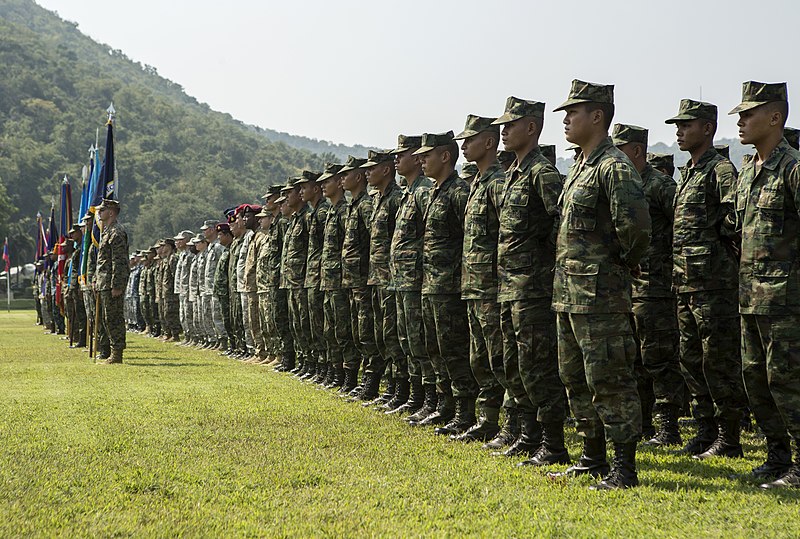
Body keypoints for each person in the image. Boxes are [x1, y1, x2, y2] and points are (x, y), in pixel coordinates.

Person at [552, 80, 651, 489]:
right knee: (574, 376)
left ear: (597, 116)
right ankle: (592, 456)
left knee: (610, 378)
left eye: (573, 112)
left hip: (601, 295)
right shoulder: (579, 166)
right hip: (568, 294)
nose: (566, 119)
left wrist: (617, 268)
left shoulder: (614, 166)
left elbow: (637, 230)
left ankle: (624, 467)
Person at [490, 97, 569, 464]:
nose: (503, 131)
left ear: (532, 128)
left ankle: (553, 444)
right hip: (509, 285)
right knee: (515, 365)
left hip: (533, 288)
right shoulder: (512, 175)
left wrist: (547, 272)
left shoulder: (543, 174)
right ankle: (528, 435)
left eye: (511, 124)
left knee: (538, 366)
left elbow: (561, 227)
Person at [666, 98, 747, 459]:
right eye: (678, 126)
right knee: (690, 360)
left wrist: (717, 242)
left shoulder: (719, 171)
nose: (680, 131)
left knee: (718, 362)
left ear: (708, 129)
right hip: (685, 283)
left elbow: (736, 216)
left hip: (713, 285)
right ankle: (704, 432)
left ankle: (729, 438)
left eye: (687, 125)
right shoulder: (689, 173)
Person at [729, 81, 800, 489]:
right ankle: (777, 457)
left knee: (788, 381)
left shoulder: (792, 168)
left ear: (775, 118)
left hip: (786, 301)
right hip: (750, 298)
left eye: (748, 113)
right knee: (756, 380)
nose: (740, 121)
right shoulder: (750, 172)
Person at [611, 123, 683, 446]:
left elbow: (683, 226)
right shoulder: (624, 185)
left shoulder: (659, 185)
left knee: (658, 357)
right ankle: (644, 424)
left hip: (656, 287)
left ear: (637, 151)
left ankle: (669, 427)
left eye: (621, 148)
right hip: (629, 287)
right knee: (636, 358)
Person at [413, 131, 479, 432]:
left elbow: (470, 240)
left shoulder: (458, 193)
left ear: (445, 156)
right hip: (431, 284)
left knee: (453, 350)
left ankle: (464, 412)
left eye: (427, 155)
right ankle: (444, 405)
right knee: (435, 349)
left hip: (450, 287)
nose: (421, 160)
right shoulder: (433, 193)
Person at [451, 114, 508, 442]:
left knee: (498, 357)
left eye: (470, 139)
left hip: (491, 285)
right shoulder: (478, 184)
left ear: (489, 142)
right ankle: (485, 420)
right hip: (473, 285)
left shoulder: (498, 183)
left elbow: (510, 235)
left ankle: (508, 424)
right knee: (479, 357)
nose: (465, 145)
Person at [389, 135, 435, 419]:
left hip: (418, 280)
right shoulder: (409, 192)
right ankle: (417, 397)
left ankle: (429, 400)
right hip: (402, 279)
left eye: (401, 154)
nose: (396, 159)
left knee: (420, 342)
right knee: (407, 340)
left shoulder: (423, 192)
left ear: (417, 157)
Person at [364, 150, 404, 407]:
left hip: (394, 278)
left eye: (372, 168)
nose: (367, 172)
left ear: (386, 170)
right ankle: (391, 387)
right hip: (377, 277)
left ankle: (400, 389)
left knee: (394, 335)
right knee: (382, 335)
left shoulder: (396, 199)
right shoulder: (378, 199)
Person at [340, 156, 379, 396]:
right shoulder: (355, 205)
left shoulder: (365, 205)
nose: (342, 179)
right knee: (355, 331)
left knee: (368, 331)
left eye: (346, 174)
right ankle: (357, 378)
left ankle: (371, 382)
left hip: (366, 279)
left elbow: (373, 243)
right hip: (352, 280)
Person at [318, 164, 355, 388]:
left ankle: (348, 377)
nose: (323, 185)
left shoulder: (343, 211)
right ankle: (335, 373)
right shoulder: (332, 212)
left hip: (343, 279)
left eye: (327, 181)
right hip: (328, 278)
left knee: (344, 329)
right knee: (329, 329)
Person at [296, 170, 329, 378]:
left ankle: (329, 370)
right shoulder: (314, 214)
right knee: (310, 324)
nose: (301, 191)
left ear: (315, 189)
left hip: (325, 277)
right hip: (312, 276)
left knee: (324, 325)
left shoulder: (325, 213)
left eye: (304, 187)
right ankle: (316, 366)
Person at [94, 198, 130, 364]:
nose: (99, 213)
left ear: (111, 212)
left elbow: (119, 261)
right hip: (104, 283)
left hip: (111, 284)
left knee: (113, 318)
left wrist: (117, 285)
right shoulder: (107, 232)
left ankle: (117, 353)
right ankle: (110, 350)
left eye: (102, 210)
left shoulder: (116, 233)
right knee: (105, 318)